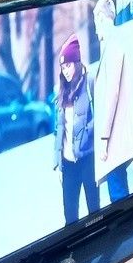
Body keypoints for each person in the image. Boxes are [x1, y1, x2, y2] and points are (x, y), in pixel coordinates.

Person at [92, 0, 133, 204]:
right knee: (118, 187)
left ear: (101, 18)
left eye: (95, 21)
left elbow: (112, 94)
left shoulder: (113, 44)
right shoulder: (114, 42)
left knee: (118, 194)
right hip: (116, 134)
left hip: (114, 137)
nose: (95, 29)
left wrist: (104, 139)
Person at [54, 36, 99, 226]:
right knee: (70, 217)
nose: (66, 71)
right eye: (63, 68)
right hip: (68, 164)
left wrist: (87, 135)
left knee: (95, 212)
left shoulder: (89, 83)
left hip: (87, 158)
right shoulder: (61, 91)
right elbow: (59, 129)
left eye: (69, 66)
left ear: (77, 63)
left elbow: (100, 115)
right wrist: (58, 162)